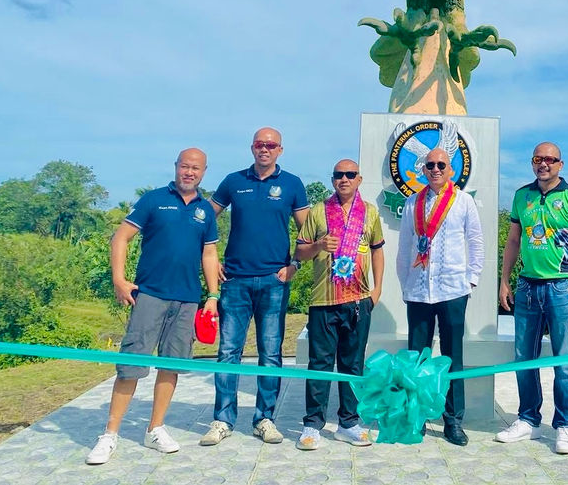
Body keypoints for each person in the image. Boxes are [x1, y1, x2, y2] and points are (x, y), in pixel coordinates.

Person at [87, 148, 219, 465]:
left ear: (203, 172)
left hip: (187, 300)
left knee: (171, 366)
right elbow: (120, 238)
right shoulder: (153, 199)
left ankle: (155, 428)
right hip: (149, 295)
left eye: (196, 168)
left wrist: (212, 296)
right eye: (185, 166)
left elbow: (209, 255)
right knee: (131, 365)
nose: (190, 172)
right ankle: (110, 434)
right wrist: (119, 279)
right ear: (176, 167)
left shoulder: (206, 211)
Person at [200, 127, 310, 447]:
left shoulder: (292, 184)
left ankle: (264, 418)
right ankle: (222, 419)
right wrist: (211, 258)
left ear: (280, 150)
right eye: (260, 144)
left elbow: (308, 231)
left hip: (274, 282)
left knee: (271, 354)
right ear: (252, 148)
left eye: (271, 145)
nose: (265, 149)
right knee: (228, 352)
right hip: (234, 280)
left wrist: (296, 266)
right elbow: (204, 216)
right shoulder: (234, 181)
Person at [497, 142, 568, 455]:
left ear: (560, 164)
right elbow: (512, 240)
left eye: (550, 159)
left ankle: (565, 425)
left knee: (564, 361)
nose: (544, 164)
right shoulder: (521, 195)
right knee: (524, 357)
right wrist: (504, 281)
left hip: (562, 287)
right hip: (527, 285)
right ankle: (528, 420)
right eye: (538, 159)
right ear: (532, 163)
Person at [291, 159, 385, 450]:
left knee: (352, 363)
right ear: (333, 180)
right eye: (338, 175)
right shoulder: (318, 211)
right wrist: (318, 246)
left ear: (359, 179)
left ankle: (349, 422)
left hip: (358, 300)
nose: (344, 179)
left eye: (350, 174)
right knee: (319, 363)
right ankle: (312, 425)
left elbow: (377, 251)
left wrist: (377, 290)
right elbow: (300, 251)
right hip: (324, 300)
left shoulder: (370, 212)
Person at [396, 147, 484, 446]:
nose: (435, 169)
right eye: (430, 165)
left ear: (450, 170)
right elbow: (405, 245)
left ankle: (453, 420)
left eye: (441, 165)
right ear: (424, 169)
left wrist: (471, 278)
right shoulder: (412, 202)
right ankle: (417, 417)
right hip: (419, 290)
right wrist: (406, 284)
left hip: (452, 290)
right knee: (416, 359)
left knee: (451, 358)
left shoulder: (463, 201)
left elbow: (475, 240)